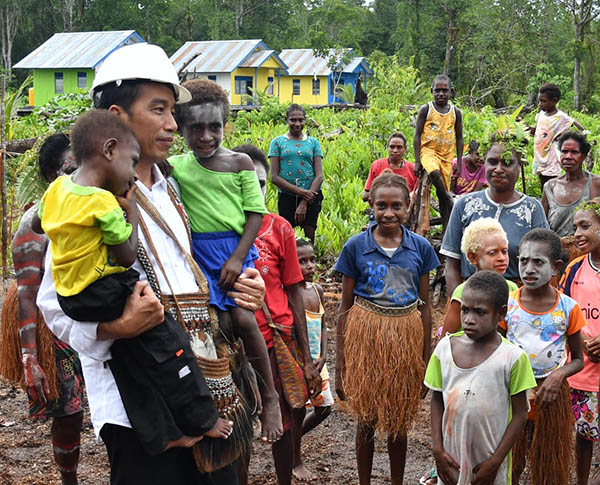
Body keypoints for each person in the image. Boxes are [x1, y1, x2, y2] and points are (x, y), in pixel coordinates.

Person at [37, 43, 265, 484]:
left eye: (172, 111)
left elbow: (190, 270)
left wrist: (244, 285)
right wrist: (116, 328)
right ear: (119, 118)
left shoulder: (171, 187)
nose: (172, 124)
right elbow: (53, 304)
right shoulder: (84, 202)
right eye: (159, 109)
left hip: (203, 388)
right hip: (139, 416)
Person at [34, 109, 233, 455]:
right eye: (158, 109)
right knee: (170, 346)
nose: (172, 123)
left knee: (133, 366)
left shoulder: (58, 190)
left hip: (74, 295)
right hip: (104, 291)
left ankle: (164, 432)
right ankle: (203, 417)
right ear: (110, 149)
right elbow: (127, 256)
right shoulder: (102, 202)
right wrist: (130, 210)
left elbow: (38, 224)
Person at [169, 79, 282, 444]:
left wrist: (236, 259)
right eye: (195, 128)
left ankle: (269, 397)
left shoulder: (240, 162)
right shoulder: (175, 167)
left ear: (225, 125)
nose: (205, 136)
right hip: (197, 255)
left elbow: (255, 214)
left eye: (214, 127)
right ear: (181, 128)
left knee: (244, 319)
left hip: (234, 250)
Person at [335, 170, 439, 485]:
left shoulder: (420, 248)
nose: (389, 213)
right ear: (372, 206)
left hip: (405, 337)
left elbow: (425, 307)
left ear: (409, 206)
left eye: (396, 206)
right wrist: (341, 364)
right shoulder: (356, 247)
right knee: (366, 419)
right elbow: (344, 307)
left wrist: (425, 361)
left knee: (398, 421)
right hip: (366, 337)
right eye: (382, 206)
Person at [232, 143, 321, 485]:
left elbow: (294, 290)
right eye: (246, 182)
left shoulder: (279, 228)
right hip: (234, 343)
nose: (254, 190)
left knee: (284, 421)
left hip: (275, 339)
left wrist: (308, 356)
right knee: (237, 425)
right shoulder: (217, 227)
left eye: (261, 183)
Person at [1, 133, 83, 485]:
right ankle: (69, 480)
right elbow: (26, 294)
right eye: (71, 169)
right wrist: (30, 357)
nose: (80, 176)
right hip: (55, 325)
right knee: (68, 412)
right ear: (53, 176)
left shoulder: (107, 206)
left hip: (102, 319)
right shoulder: (35, 221)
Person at [425, 271, 536, 485]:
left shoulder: (512, 358)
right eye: (465, 310)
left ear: (501, 313)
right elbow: (437, 399)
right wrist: (438, 451)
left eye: (479, 312)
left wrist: (494, 462)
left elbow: (521, 414)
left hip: (489, 465)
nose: (468, 319)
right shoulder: (445, 349)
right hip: (451, 461)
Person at [499, 228, 585, 485]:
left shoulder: (568, 308)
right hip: (513, 394)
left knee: (548, 466)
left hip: (551, 395)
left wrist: (559, 375)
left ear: (556, 266)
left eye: (539, 262)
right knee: (511, 463)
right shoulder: (508, 304)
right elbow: (498, 348)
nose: (529, 268)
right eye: (524, 260)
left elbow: (578, 358)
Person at [441, 140, 549, 297]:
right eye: (492, 162)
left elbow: (542, 262)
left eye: (507, 163)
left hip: (518, 300)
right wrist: (460, 304)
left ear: (519, 167)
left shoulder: (532, 209)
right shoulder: (464, 205)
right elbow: (452, 264)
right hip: (472, 297)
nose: (498, 169)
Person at [559, 198, 600, 485]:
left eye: (586, 226)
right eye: (576, 227)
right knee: (584, 434)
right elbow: (562, 310)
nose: (577, 234)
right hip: (583, 372)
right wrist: (583, 339)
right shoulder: (574, 269)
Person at [292, 237, 333, 482]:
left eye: (312, 260)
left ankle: (292, 441)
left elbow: (324, 325)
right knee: (297, 412)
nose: (310, 266)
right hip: (299, 363)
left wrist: (325, 355)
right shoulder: (292, 293)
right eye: (302, 262)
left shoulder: (316, 290)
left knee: (324, 408)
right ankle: (294, 459)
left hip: (319, 363)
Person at [441, 218, 518, 336]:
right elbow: (446, 339)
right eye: (492, 253)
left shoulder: (512, 289)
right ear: (473, 257)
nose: (502, 258)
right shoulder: (463, 291)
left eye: (504, 251)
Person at [413, 75, 464, 230]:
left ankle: (446, 228)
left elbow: (460, 137)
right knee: (434, 173)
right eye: (437, 90)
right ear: (432, 91)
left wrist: (459, 162)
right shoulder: (426, 110)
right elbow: (417, 135)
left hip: (447, 157)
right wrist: (416, 161)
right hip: (428, 152)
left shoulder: (456, 112)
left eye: (444, 91)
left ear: (451, 92)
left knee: (441, 196)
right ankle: (450, 200)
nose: (441, 94)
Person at [268, 103, 323, 243]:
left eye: (300, 120)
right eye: (293, 120)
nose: (297, 124)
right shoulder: (277, 142)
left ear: (305, 120)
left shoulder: (313, 143)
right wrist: (300, 192)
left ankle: (310, 262)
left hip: (312, 195)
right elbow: (274, 177)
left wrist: (305, 199)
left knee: (310, 234)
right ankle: (290, 263)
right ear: (287, 121)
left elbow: (319, 176)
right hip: (287, 196)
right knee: (286, 236)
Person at [542, 131, 600, 237]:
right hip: (557, 250)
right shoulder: (550, 187)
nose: (568, 156)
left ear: (584, 156)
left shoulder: (595, 184)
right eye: (564, 151)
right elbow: (542, 226)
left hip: (588, 250)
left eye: (574, 152)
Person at [532, 83, 584, 189]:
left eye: (543, 101)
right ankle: (545, 204)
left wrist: (561, 137)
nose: (540, 104)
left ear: (554, 100)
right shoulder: (541, 115)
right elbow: (536, 131)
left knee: (553, 185)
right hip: (539, 157)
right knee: (543, 186)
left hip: (551, 158)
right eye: (539, 101)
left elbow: (579, 127)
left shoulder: (560, 117)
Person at [362, 132, 418, 202]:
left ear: (405, 148)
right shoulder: (377, 165)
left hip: (405, 211)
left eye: (399, 147)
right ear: (387, 147)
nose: (395, 150)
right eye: (392, 147)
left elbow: (417, 195)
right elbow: (365, 195)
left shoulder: (412, 169)